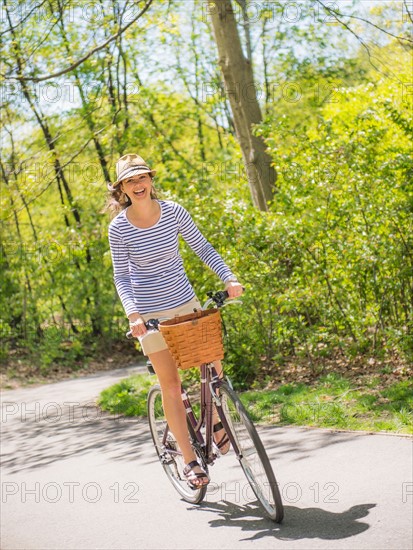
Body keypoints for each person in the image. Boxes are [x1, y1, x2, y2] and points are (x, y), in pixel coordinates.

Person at [106, 154, 243, 489]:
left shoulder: (174, 212)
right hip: (148, 316)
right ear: (122, 189)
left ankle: (216, 424)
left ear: (151, 180)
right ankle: (190, 460)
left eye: (142, 178)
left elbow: (203, 248)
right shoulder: (119, 227)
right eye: (130, 181)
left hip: (184, 305)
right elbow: (122, 277)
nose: (138, 185)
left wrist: (229, 277)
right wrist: (133, 314)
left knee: (214, 365)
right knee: (171, 385)